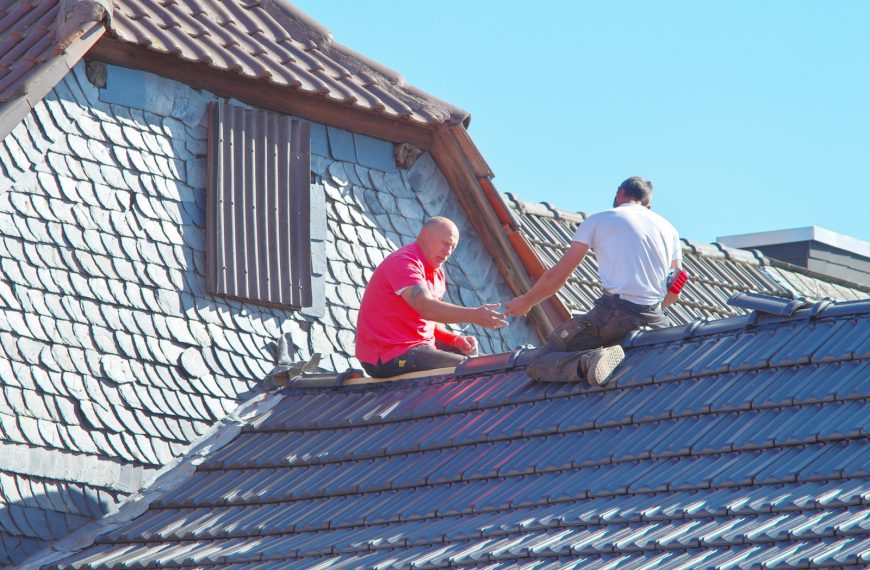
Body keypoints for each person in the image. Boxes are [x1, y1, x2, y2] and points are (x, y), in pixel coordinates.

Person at [504, 176, 685, 385]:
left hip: (614, 312)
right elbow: (675, 289)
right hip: (654, 317)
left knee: (542, 359)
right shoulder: (669, 229)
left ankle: (588, 362)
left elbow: (558, 275)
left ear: (619, 193)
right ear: (648, 206)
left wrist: (526, 301)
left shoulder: (600, 220)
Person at [356, 216, 508, 378]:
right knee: (471, 370)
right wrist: (474, 315)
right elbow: (427, 308)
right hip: (386, 355)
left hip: (416, 347)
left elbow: (429, 321)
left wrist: (454, 340)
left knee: (491, 364)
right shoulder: (405, 262)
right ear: (425, 235)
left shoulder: (437, 273)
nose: (448, 251)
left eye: (453, 247)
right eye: (445, 243)